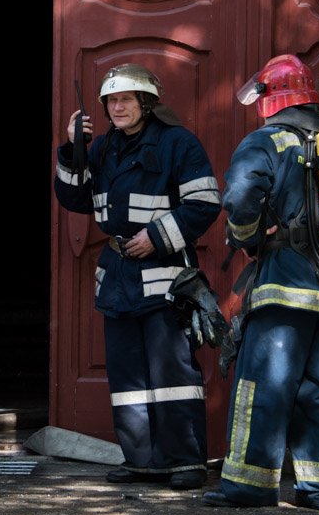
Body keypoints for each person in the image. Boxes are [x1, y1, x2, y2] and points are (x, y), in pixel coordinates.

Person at [204, 53, 319, 511]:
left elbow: (239, 197)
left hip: (284, 289)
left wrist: (249, 237)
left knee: (263, 387)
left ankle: (249, 487)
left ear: (270, 98)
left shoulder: (265, 141)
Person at [53, 63, 223, 491]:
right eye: (111, 101)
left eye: (125, 99)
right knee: (127, 374)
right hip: (118, 276)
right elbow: (74, 197)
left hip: (165, 276)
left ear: (146, 102)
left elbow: (204, 203)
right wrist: (73, 149)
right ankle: (141, 460)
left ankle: (186, 461)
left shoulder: (178, 143)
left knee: (173, 373)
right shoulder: (103, 147)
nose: (117, 107)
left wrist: (156, 237)